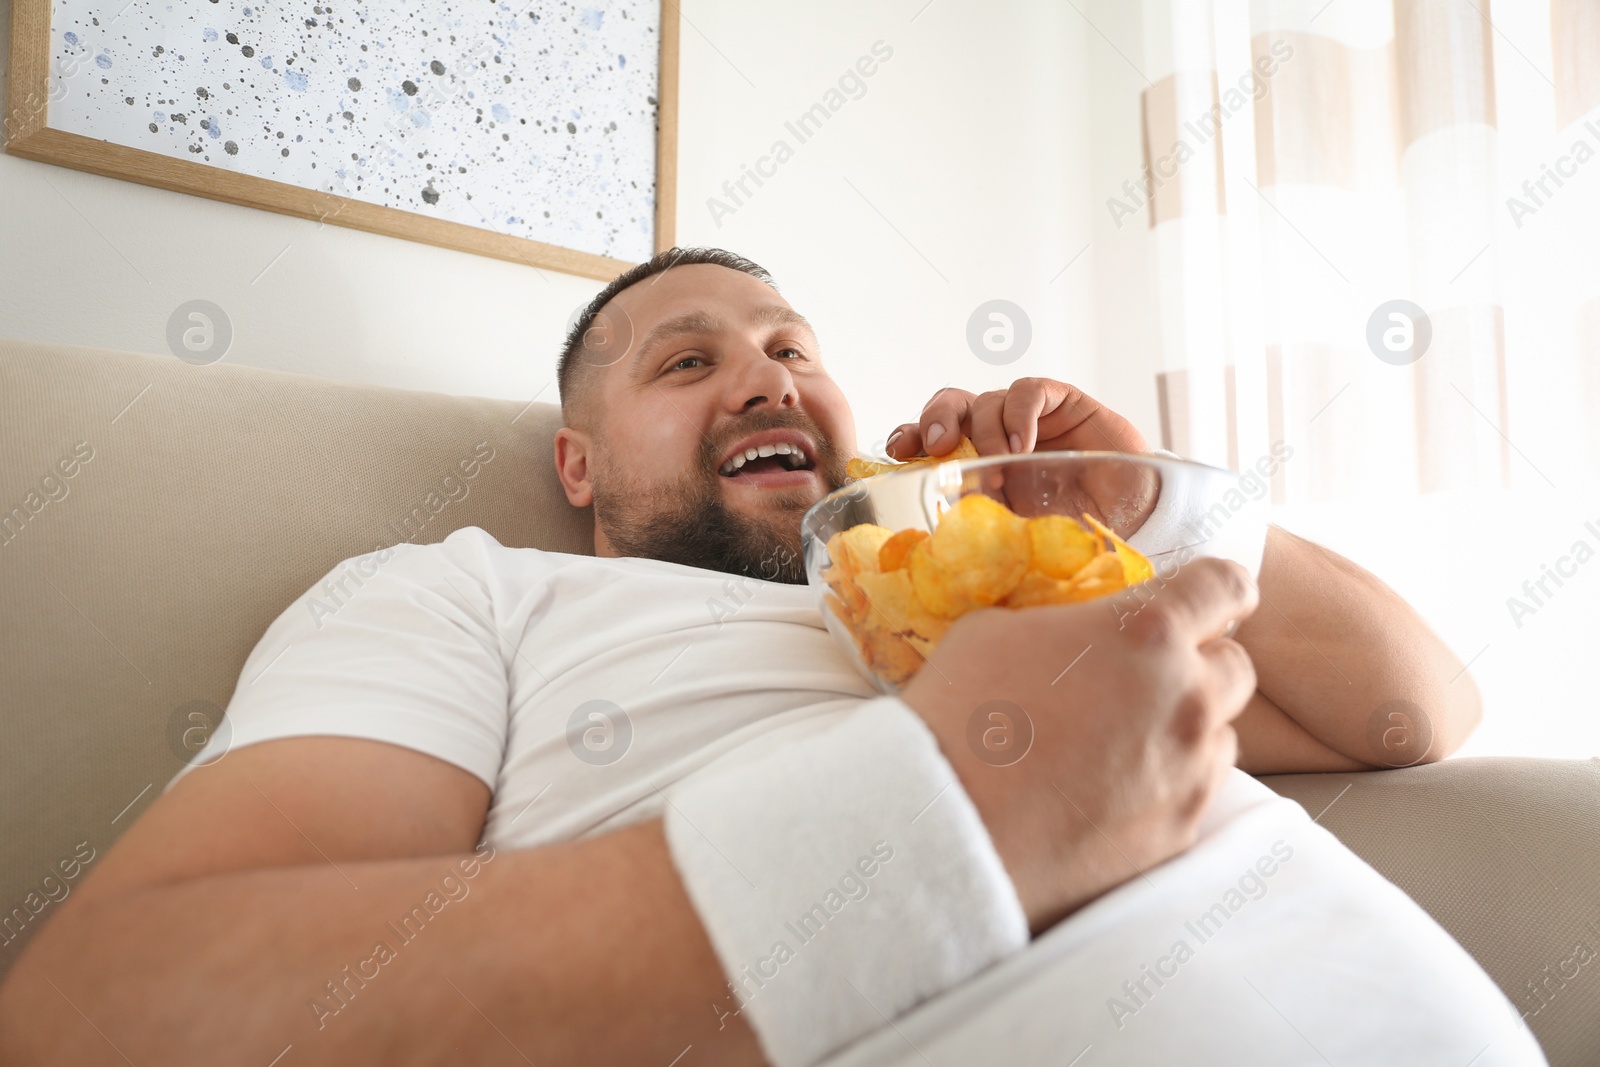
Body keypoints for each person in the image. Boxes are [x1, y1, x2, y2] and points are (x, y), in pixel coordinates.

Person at [0, 248, 1543, 1066]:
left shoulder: (975, 611)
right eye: (690, 362)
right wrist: (950, 828)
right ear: (579, 466)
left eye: (795, 347)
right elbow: (103, 1022)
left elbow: (1419, 713)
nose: (766, 376)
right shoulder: (462, 591)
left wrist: (1165, 518)